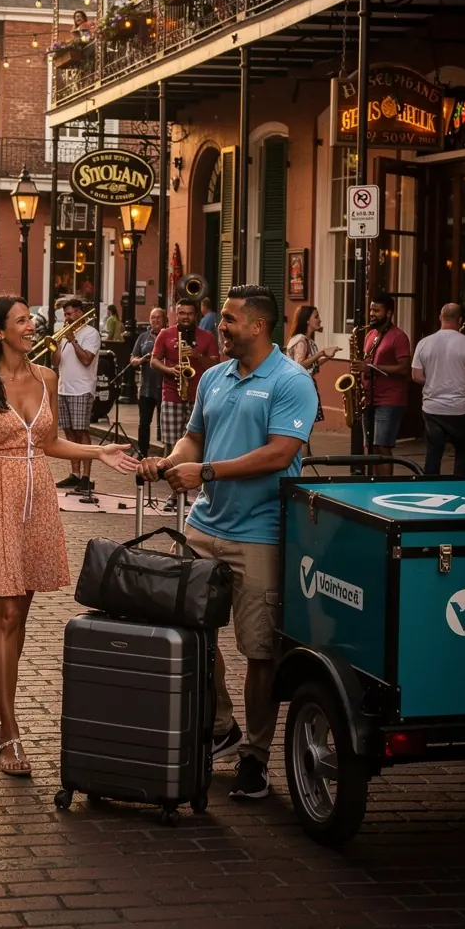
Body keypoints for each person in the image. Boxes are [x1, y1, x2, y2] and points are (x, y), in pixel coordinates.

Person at [141, 284, 318, 800]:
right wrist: (172, 461)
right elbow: (194, 436)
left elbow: (280, 454)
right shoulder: (214, 377)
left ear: (259, 326)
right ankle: (222, 725)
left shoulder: (291, 381)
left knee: (259, 651)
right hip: (204, 526)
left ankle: (256, 757)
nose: (220, 328)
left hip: (260, 534)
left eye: (230, 321)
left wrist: (208, 471)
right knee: (189, 630)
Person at [0, 295, 137, 775]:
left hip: (37, 500)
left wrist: (99, 455)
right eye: (20, 321)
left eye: (30, 320)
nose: (32, 327)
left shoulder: (46, 378)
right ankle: (9, 732)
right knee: (6, 611)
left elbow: (49, 442)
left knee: (21, 613)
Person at [151, 299, 219, 505]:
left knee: (198, 444)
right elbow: (153, 361)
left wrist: (197, 355)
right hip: (172, 394)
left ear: (196, 315)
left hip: (199, 397)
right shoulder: (165, 334)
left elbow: (216, 363)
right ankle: (174, 494)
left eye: (189, 313)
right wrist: (170, 371)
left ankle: (195, 490)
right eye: (181, 313)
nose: (185, 317)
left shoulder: (206, 337)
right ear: (176, 314)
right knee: (172, 444)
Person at [412, 304, 465, 476]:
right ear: (460, 320)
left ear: (440, 317)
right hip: (462, 408)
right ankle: (459, 487)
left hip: (433, 408)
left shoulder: (424, 343)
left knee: (433, 451)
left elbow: (416, 376)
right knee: (463, 451)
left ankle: (431, 488)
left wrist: (435, 381)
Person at [51, 299, 103, 493]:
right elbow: (56, 362)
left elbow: (87, 360)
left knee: (82, 432)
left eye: (70, 314)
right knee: (69, 433)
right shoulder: (64, 334)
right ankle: (75, 474)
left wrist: (73, 340)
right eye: (65, 314)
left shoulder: (91, 334)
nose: (67, 318)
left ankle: (87, 477)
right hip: (64, 387)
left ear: (80, 313)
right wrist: (55, 345)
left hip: (82, 388)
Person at [361, 293, 411, 476]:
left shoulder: (399, 337)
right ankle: (371, 483)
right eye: (371, 309)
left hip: (390, 398)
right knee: (370, 446)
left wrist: (372, 368)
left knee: (382, 445)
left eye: (376, 310)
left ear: (389, 313)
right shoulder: (370, 334)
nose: (372, 313)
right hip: (368, 397)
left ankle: (386, 485)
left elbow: (405, 368)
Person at [286, 305, 340, 429]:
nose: (319, 320)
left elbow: (311, 365)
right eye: (316, 316)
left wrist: (328, 356)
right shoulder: (301, 341)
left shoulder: (306, 340)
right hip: (300, 388)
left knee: (305, 429)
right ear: (307, 320)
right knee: (303, 430)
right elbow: (299, 365)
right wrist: (321, 353)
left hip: (304, 386)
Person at [130, 306, 166, 458]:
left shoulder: (170, 335)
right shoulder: (143, 337)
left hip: (165, 387)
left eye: (158, 317)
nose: (155, 320)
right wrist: (140, 360)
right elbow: (132, 359)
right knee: (144, 423)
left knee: (165, 424)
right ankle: (142, 451)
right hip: (146, 387)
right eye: (153, 318)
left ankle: (166, 454)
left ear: (165, 320)